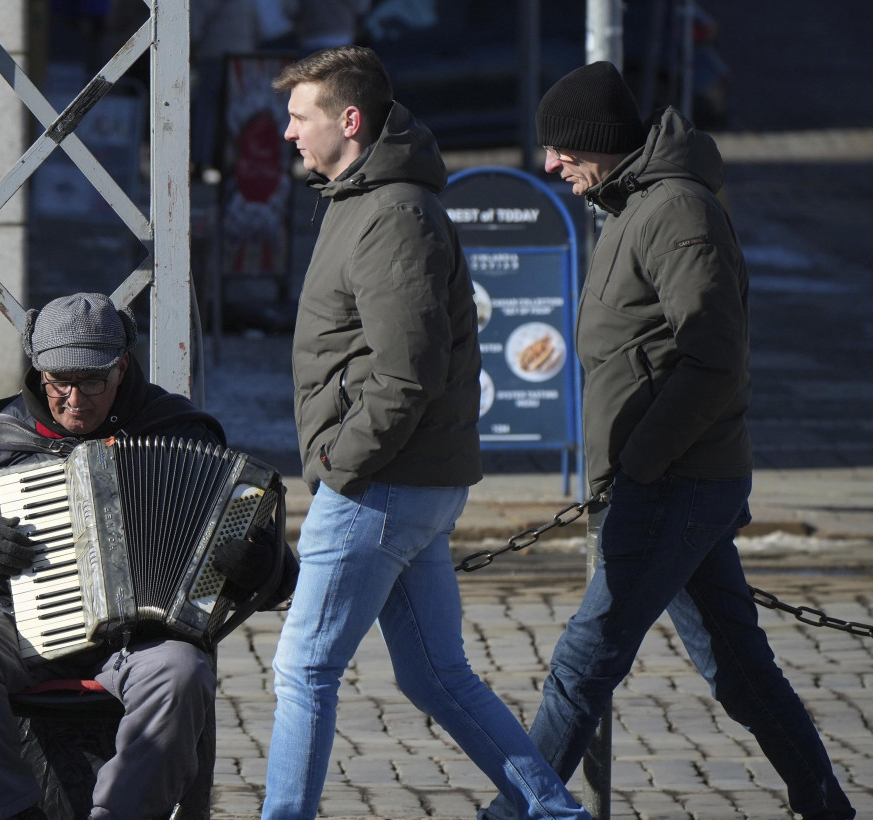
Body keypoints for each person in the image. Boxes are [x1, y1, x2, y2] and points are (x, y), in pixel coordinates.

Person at [481, 62, 857, 820]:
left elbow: (712, 357)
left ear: (600, 142)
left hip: (673, 483)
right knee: (739, 670)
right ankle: (827, 807)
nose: (551, 166)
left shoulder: (676, 212)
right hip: (673, 479)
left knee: (581, 663)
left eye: (560, 149)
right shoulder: (634, 209)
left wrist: (642, 463)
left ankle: (514, 815)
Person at [261, 46, 587, 820]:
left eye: (299, 116)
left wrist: (344, 464)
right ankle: (554, 811)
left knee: (304, 669)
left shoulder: (393, 212)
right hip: (402, 482)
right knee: (435, 674)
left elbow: (407, 371)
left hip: (382, 485)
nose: (286, 133)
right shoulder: (359, 198)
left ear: (349, 119)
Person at [0, 293, 290, 820]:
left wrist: (260, 569)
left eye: (92, 382)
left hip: (142, 641)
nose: (74, 399)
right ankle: (7, 813)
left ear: (121, 366)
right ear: (38, 373)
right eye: (58, 382)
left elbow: (276, 568)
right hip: (19, 628)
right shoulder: (3, 441)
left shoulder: (175, 430)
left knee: (183, 669)